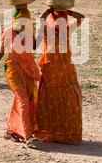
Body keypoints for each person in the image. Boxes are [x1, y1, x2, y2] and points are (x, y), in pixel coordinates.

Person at [0, 6, 41, 148]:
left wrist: (42, 31)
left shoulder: (29, 31)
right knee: (22, 98)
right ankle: (28, 136)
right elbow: (1, 51)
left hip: (28, 69)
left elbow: (35, 46)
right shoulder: (9, 32)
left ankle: (10, 130)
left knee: (26, 99)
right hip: (13, 70)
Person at [34, 8, 85, 144]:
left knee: (51, 101)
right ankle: (66, 134)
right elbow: (81, 18)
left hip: (51, 71)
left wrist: (49, 10)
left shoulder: (47, 31)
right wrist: (69, 12)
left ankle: (52, 132)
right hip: (65, 71)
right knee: (67, 101)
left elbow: (40, 19)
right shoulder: (66, 30)